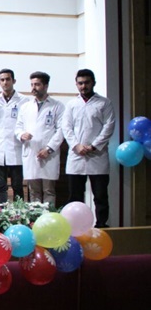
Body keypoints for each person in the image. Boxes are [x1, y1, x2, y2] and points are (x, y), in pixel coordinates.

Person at [63, 69, 116, 227]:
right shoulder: (72, 104)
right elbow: (66, 127)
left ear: (93, 83)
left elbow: (109, 126)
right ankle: (75, 227)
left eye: (86, 82)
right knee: (75, 197)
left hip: (97, 156)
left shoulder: (104, 103)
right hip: (76, 156)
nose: (83, 86)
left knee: (100, 196)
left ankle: (101, 226)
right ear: (76, 84)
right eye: (80, 83)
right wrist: (76, 145)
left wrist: (94, 146)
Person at [15, 71, 64, 208]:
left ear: (46, 86)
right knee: (33, 191)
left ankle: (49, 217)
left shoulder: (57, 106)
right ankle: (35, 217)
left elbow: (61, 130)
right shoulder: (25, 107)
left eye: (37, 84)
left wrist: (49, 149)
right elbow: (18, 127)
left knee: (49, 190)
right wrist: (22, 134)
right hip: (31, 152)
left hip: (49, 154)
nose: (33, 88)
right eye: (32, 84)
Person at [0, 69, 28, 203]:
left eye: (8, 79)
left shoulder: (24, 100)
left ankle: (19, 211)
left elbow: (25, 122)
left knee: (17, 185)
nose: (5, 82)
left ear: (14, 81)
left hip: (16, 147)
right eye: (2, 80)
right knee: (0, 186)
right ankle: (1, 211)